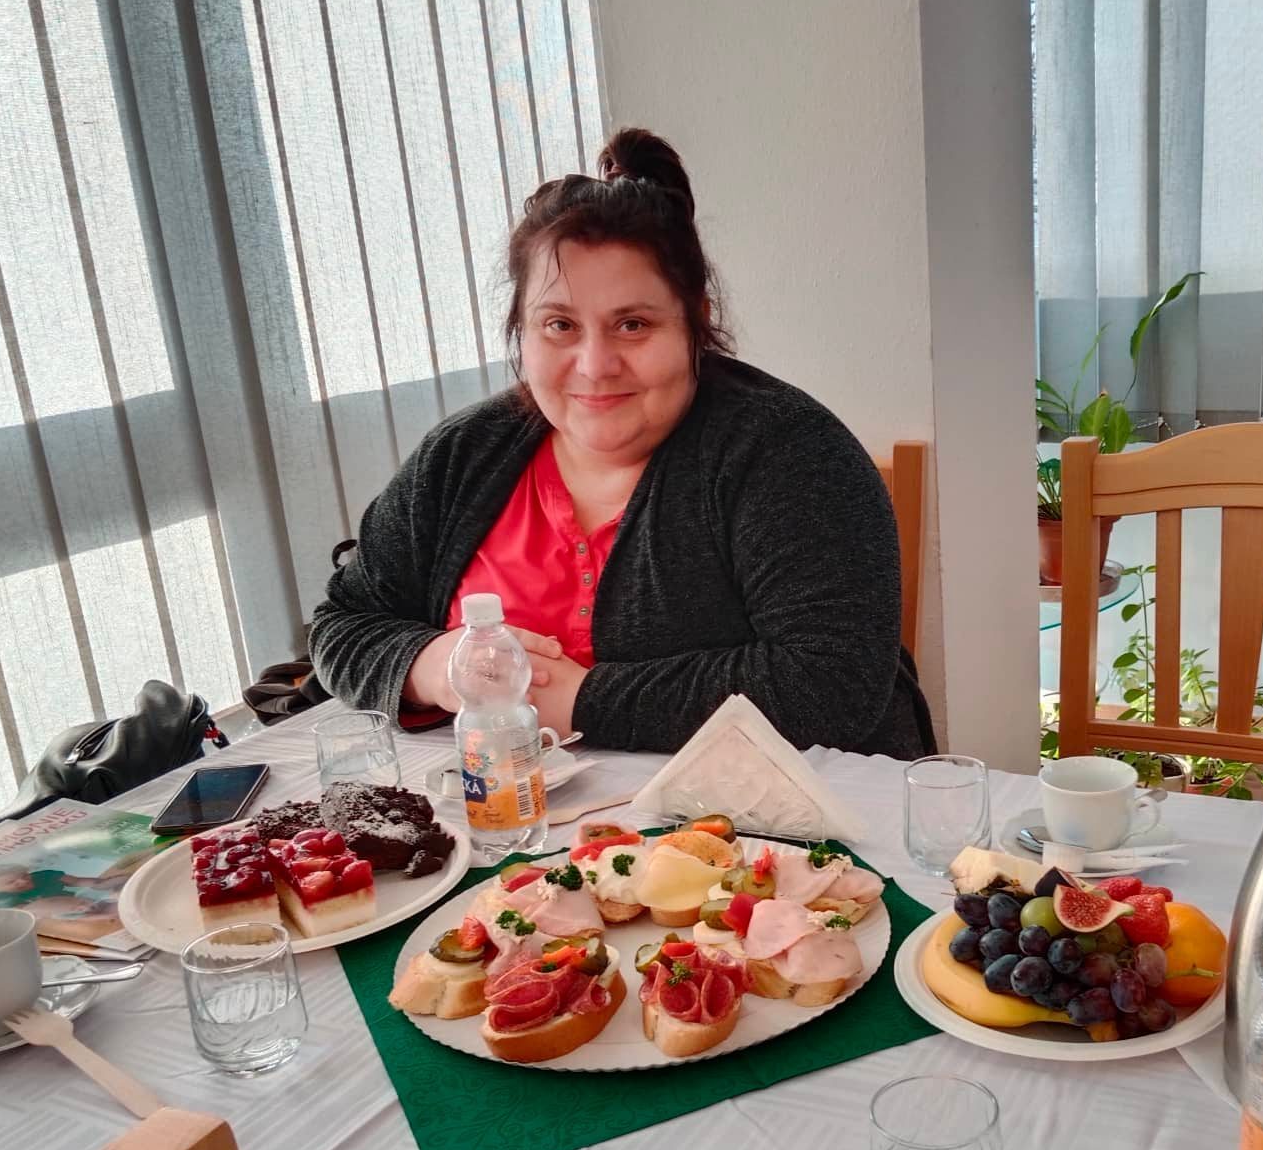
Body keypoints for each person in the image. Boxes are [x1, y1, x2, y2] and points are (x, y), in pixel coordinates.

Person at [311, 126, 934, 760]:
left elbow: (832, 682)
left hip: (789, 812)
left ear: (695, 321)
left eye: (632, 325)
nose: (595, 365)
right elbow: (345, 623)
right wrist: (439, 666)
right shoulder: (462, 455)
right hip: (513, 810)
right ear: (520, 329)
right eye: (559, 325)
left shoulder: (789, 452)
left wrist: (583, 701)